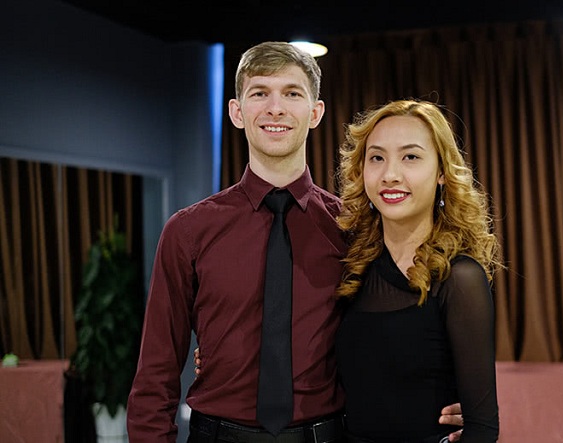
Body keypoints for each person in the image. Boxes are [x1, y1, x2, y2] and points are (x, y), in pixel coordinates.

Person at [128, 41, 463, 442]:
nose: (275, 108)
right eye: (259, 93)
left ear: (315, 112)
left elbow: (398, 334)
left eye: (291, 93)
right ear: (236, 112)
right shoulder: (187, 231)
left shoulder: (355, 229)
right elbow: (156, 374)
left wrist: (448, 402)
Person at [334, 99, 501, 442]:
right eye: (376, 158)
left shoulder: (460, 278)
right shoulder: (349, 268)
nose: (390, 175)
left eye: (410, 157)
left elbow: (483, 428)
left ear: (442, 172)